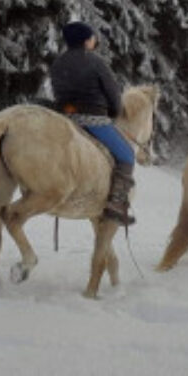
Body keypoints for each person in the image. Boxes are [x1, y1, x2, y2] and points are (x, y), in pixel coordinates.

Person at [49, 21, 136, 226]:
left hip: (64, 119)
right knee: (127, 155)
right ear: (85, 40)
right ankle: (115, 203)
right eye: (92, 37)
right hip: (93, 119)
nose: (94, 41)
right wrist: (114, 112)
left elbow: (57, 93)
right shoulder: (96, 62)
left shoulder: (58, 62)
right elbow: (113, 93)